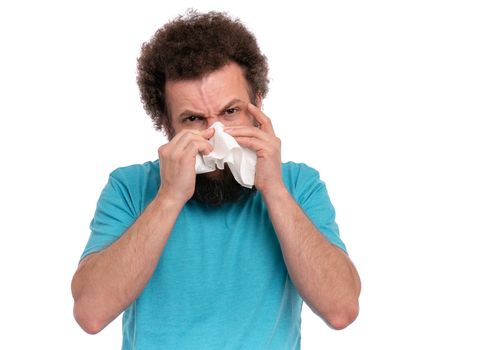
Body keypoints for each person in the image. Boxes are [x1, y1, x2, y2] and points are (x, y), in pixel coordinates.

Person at [71, 10, 361, 349]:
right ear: (166, 123)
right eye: (193, 118)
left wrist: (274, 190)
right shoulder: (130, 187)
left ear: (257, 105)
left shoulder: (297, 184)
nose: (216, 136)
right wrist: (168, 198)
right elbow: (91, 314)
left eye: (231, 111)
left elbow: (341, 310)